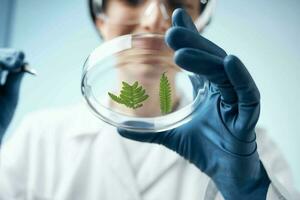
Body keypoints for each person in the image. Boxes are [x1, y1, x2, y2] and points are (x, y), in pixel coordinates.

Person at [0, 0, 299, 199]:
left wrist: (250, 190)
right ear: (100, 17)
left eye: (178, 3)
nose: (155, 17)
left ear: (200, 26)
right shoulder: (38, 139)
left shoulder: (250, 149)